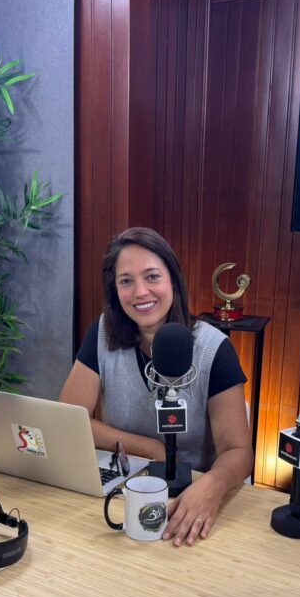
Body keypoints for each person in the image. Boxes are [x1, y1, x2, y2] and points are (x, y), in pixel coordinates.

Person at [60, 227, 253, 546]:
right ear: (115, 289)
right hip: (121, 491)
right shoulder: (103, 333)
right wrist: (151, 449)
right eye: (126, 281)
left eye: (152, 277)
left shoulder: (214, 349)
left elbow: (238, 451)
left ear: (173, 280)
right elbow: (69, 420)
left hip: (190, 500)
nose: (140, 292)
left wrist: (211, 487)